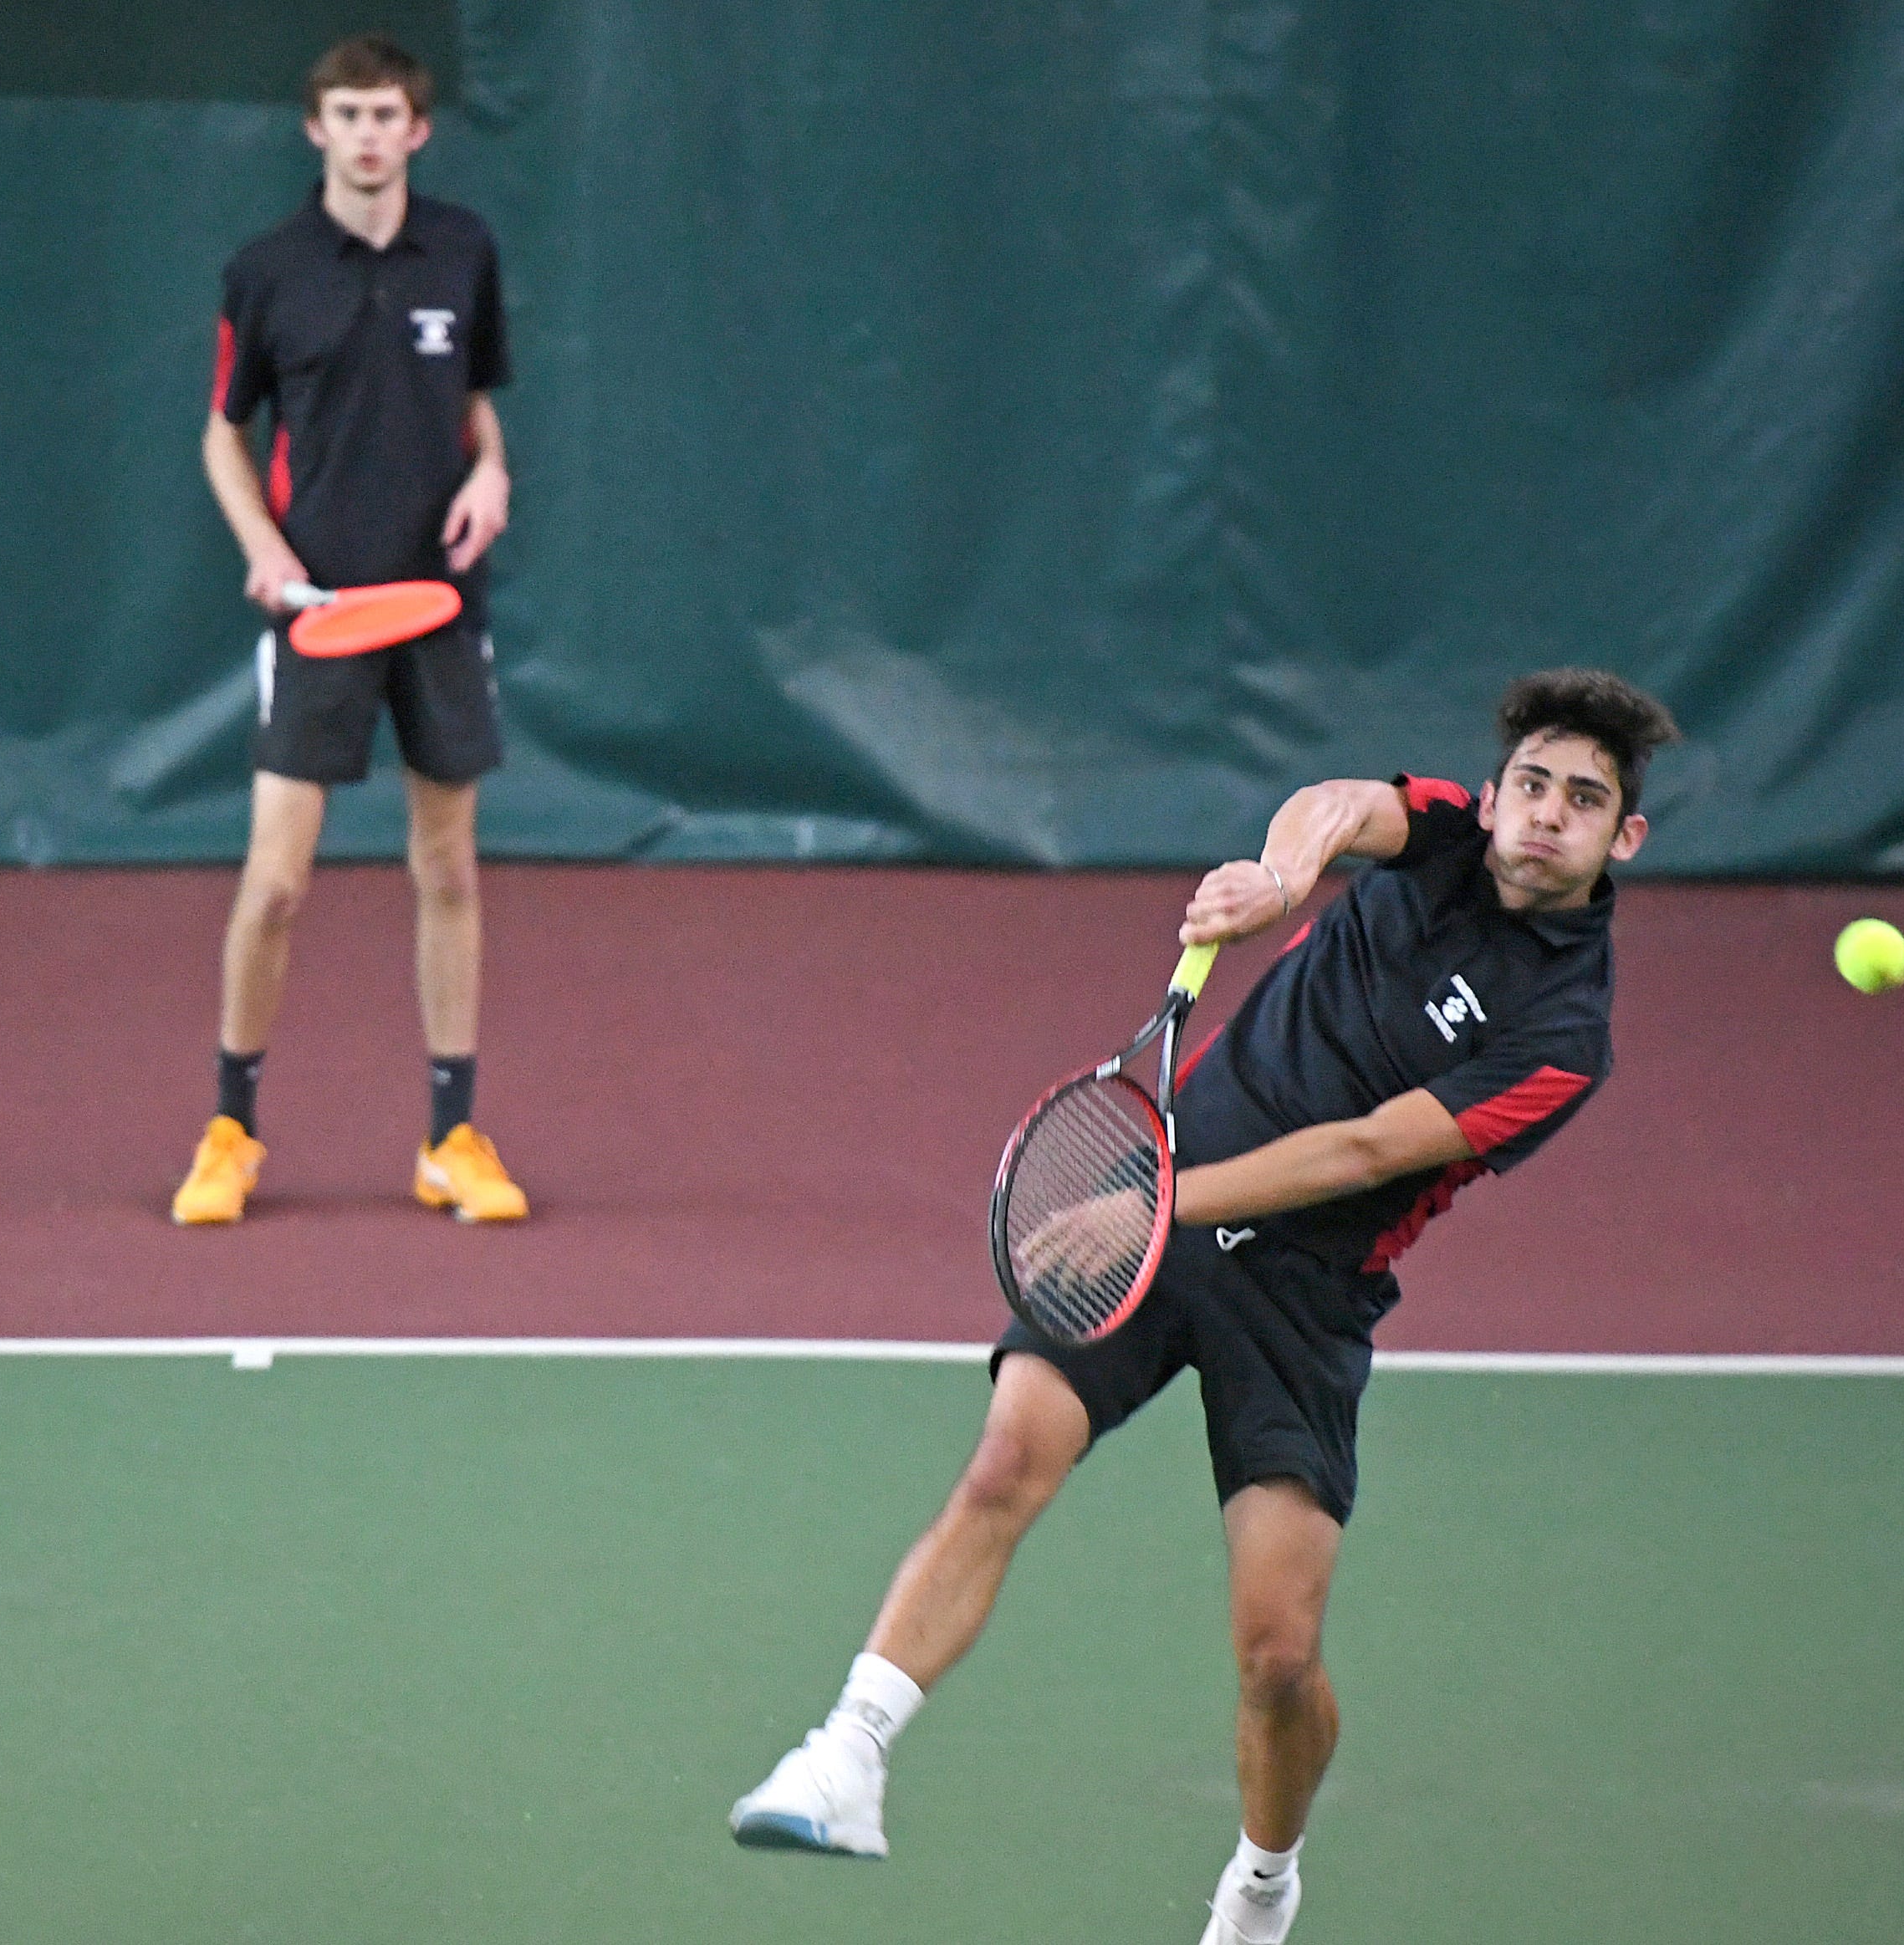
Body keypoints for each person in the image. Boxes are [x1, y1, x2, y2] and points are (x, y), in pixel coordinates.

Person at [729, 669, 1682, 1942]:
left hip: (1300, 1294)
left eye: (1582, 799)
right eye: (1530, 785)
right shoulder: (1452, 832)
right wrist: (1282, 877)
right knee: (1009, 1455)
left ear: (1623, 836)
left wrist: (1151, 1199)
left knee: (1277, 1657)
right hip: (1163, 1224)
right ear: (1498, 791)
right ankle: (843, 1754)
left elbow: (1358, 1152)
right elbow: (1338, 804)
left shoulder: (1564, 1032)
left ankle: (1261, 1885)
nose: (1542, 815)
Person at [173, 36, 526, 1225]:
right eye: (348, 113)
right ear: (315, 128)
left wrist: (493, 474)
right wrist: (264, 555)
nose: (369, 133)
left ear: (416, 132)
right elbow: (224, 430)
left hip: (438, 603)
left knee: (448, 870)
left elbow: (475, 408)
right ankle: (230, 1126)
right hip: (319, 611)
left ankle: (452, 1135)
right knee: (274, 885)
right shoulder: (266, 270)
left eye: (388, 114)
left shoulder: (465, 251)